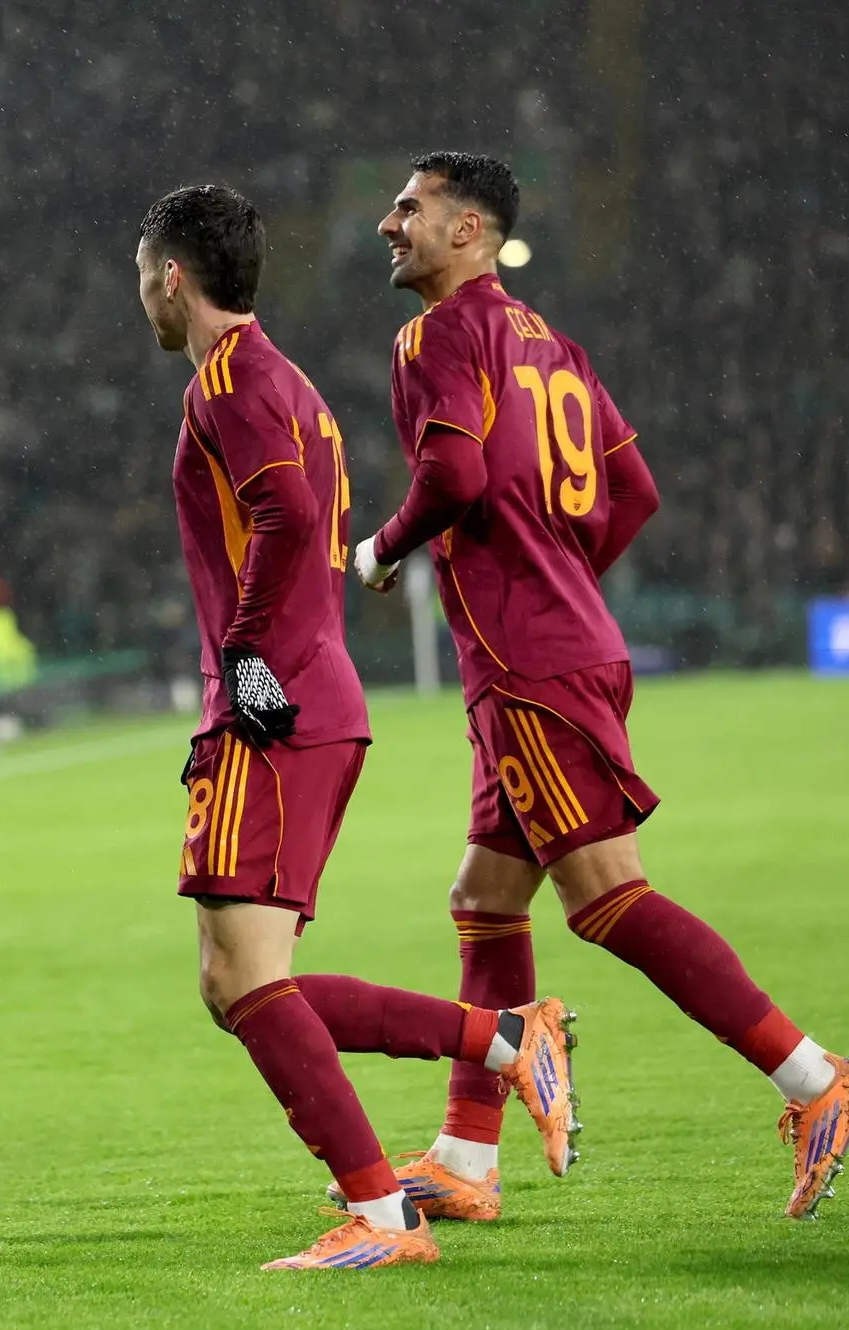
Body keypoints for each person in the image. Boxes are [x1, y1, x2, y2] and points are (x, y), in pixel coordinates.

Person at [354, 152, 849, 1222]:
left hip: (527, 662)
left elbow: (451, 478)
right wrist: (557, 574)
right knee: (482, 898)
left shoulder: (436, 334)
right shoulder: (550, 340)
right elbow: (633, 489)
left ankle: (815, 1077)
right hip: (560, 643)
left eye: (408, 208)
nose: (384, 224)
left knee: (603, 897)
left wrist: (379, 549)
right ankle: (465, 1155)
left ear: (468, 231)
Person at [135, 184, 577, 1272]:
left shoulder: (231, 381)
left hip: (271, 700)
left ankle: (384, 1212)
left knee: (244, 981)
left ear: (171, 277)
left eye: (142, 275)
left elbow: (284, 514)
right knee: (238, 981)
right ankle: (502, 1044)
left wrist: (242, 660)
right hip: (305, 695)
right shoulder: (278, 378)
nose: (140, 294)